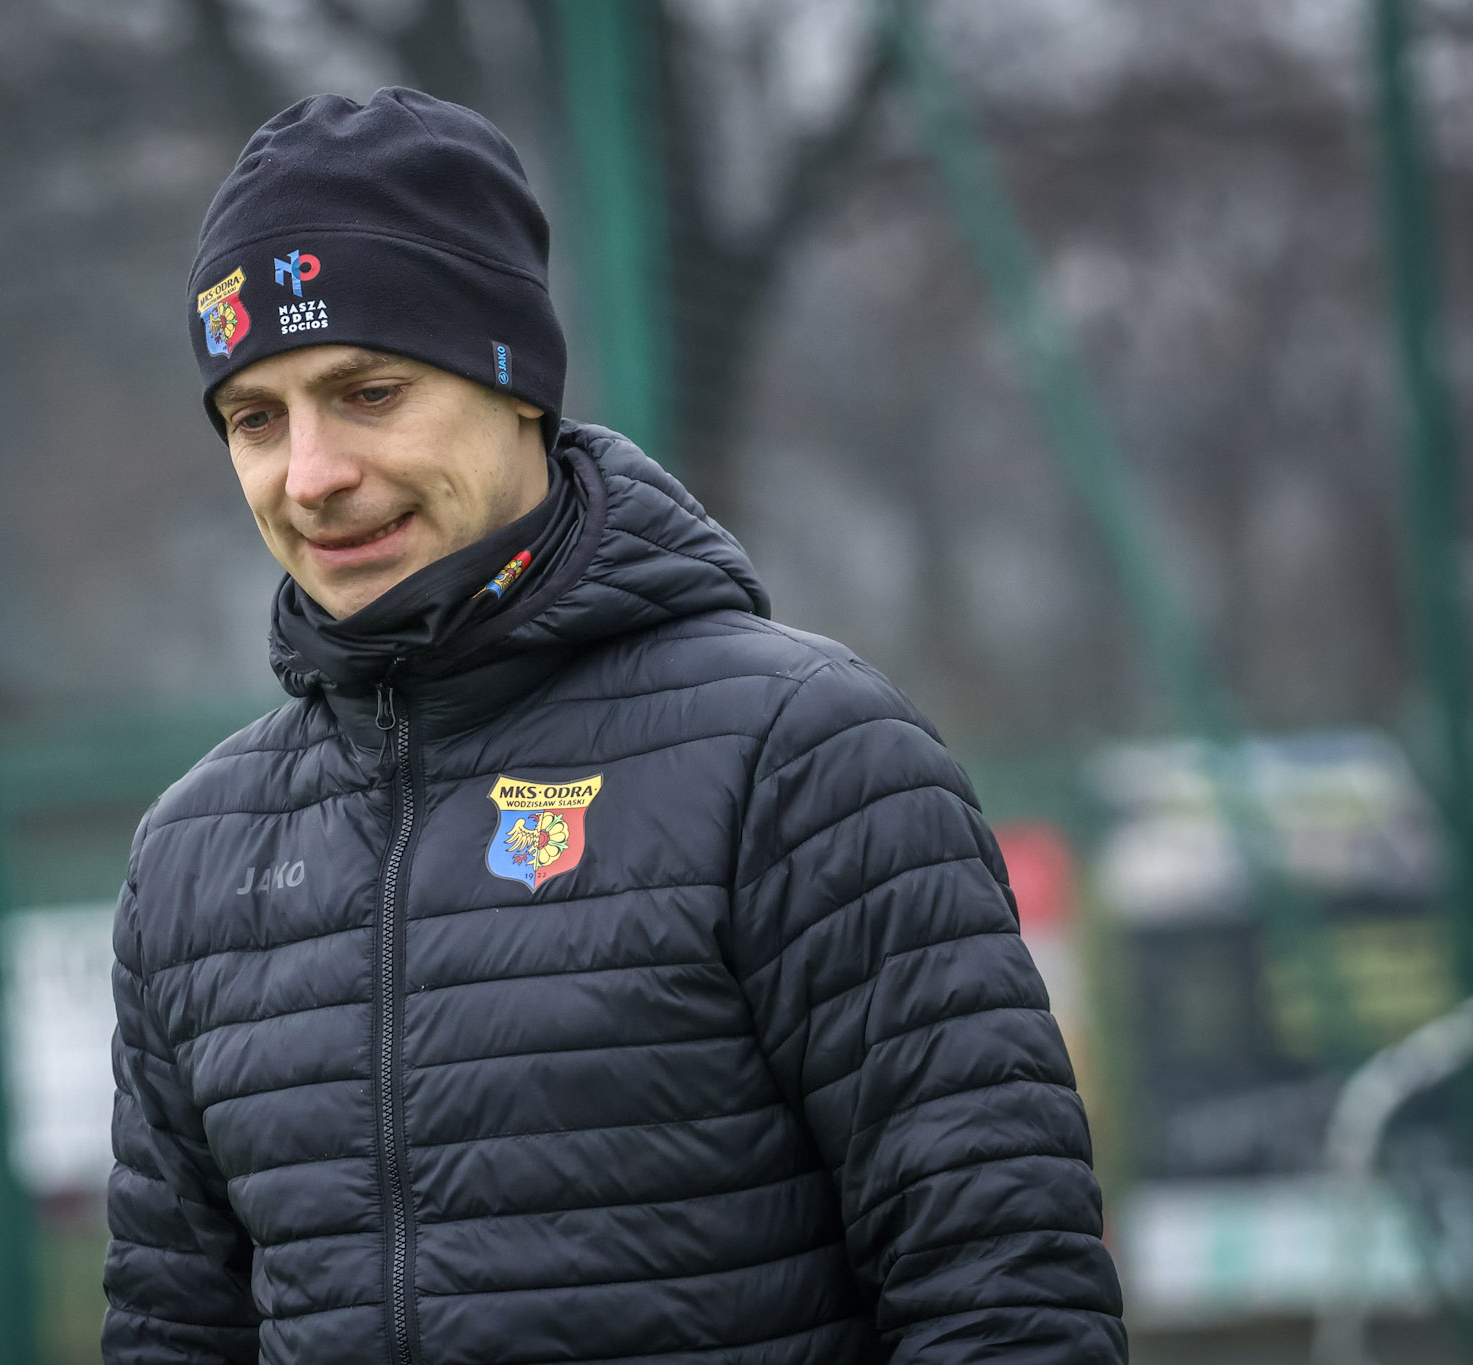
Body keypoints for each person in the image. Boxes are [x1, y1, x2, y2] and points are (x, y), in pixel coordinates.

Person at [102, 87, 1126, 1365]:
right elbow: (170, 1333)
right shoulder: (191, 859)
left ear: (515, 385)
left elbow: (1004, 1302)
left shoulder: (804, 757)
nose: (310, 475)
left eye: (367, 392)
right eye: (257, 419)